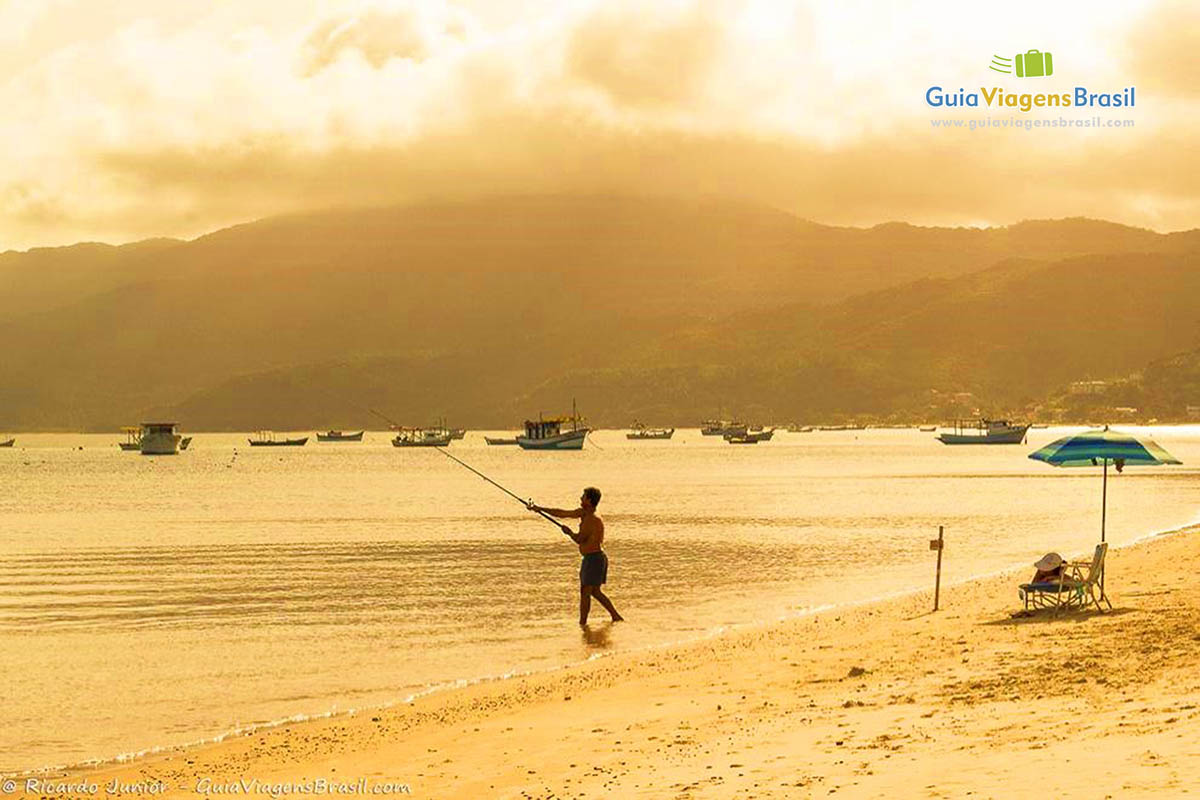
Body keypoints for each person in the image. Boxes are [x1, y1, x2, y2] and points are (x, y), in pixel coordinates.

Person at [529, 487, 624, 625]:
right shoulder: (583, 513)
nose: (580, 499)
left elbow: (580, 539)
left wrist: (569, 532)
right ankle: (615, 616)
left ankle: (583, 623)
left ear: (589, 501)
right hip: (592, 558)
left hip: (594, 559)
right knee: (595, 592)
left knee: (586, 591)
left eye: (583, 496)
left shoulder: (592, 519)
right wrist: (539, 509)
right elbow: (562, 513)